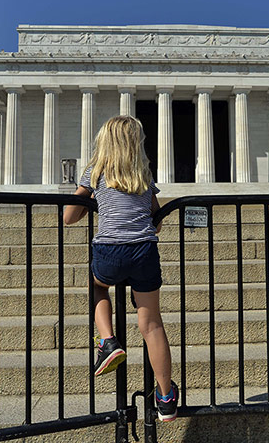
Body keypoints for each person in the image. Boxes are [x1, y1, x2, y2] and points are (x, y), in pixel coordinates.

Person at [63, 115, 178, 422]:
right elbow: (158, 218)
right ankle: (165, 398)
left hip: (109, 251)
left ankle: (108, 340)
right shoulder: (143, 172)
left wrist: (90, 198)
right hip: (143, 250)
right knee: (152, 324)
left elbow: (69, 216)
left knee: (97, 286)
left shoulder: (95, 172)